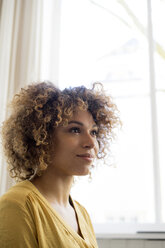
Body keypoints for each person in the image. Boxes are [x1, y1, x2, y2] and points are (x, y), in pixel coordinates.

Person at [0, 81, 120, 248]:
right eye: (75, 130)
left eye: (94, 132)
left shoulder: (81, 213)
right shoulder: (19, 204)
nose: (91, 142)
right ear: (42, 137)